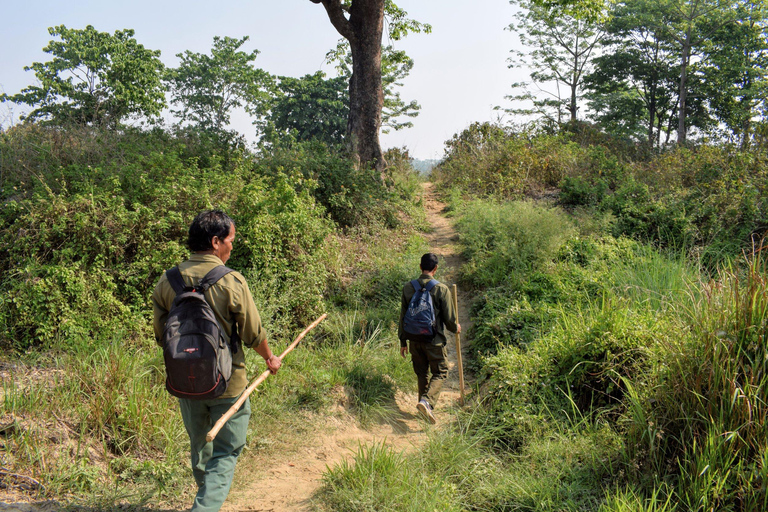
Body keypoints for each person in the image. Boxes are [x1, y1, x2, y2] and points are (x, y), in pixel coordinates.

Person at [152, 210, 281, 512]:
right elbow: (252, 332)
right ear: (215, 241)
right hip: (228, 383)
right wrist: (270, 358)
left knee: (200, 449)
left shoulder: (167, 281)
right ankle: (205, 507)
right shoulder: (230, 281)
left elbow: (161, 336)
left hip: (184, 382)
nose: (232, 247)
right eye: (230, 241)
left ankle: (206, 498)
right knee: (226, 452)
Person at [398, 252, 461, 424]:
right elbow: (449, 321)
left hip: (414, 340)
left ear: (420, 267)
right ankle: (426, 402)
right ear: (436, 269)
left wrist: (403, 342)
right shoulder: (441, 289)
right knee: (440, 372)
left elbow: (402, 317)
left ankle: (423, 409)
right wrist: (456, 327)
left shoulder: (408, 288)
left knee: (422, 374)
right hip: (434, 341)